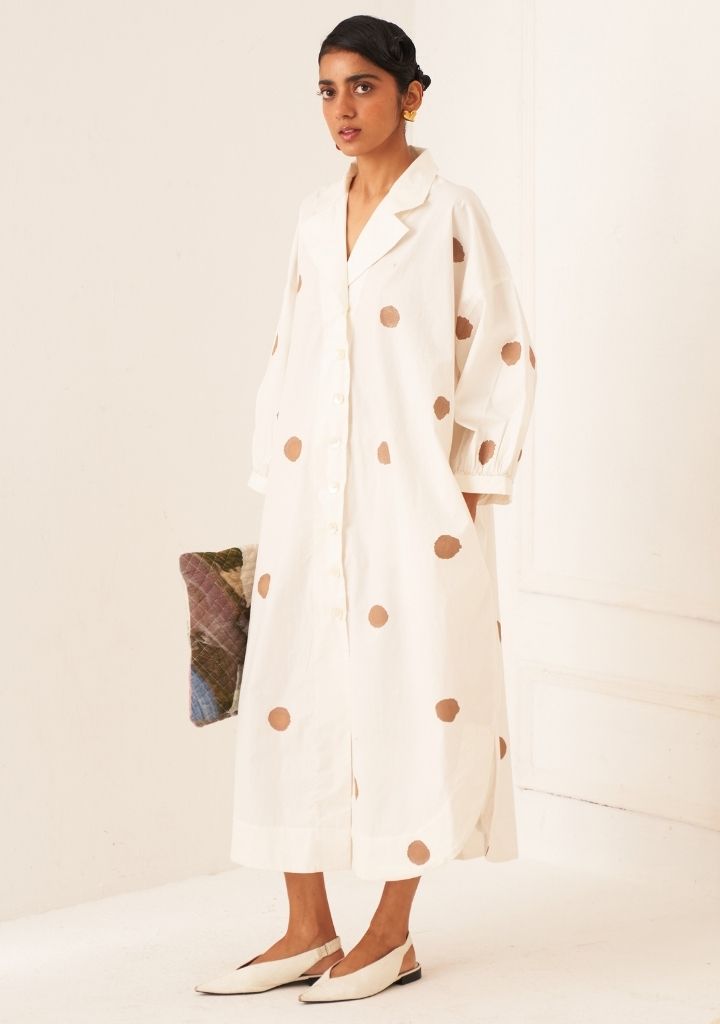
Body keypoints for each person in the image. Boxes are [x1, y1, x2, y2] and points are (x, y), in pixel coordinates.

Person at [195, 13, 537, 1003]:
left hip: (415, 502)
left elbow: (502, 350)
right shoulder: (314, 215)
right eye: (327, 90)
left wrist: (464, 495)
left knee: (411, 692)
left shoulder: (450, 212)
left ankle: (392, 930)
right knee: (292, 688)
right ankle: (307, 926)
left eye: (362, 87)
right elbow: (290, 345)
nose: (342, 109)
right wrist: (276, 476)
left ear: (410, 96)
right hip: (311, 490)